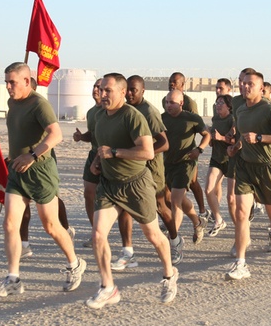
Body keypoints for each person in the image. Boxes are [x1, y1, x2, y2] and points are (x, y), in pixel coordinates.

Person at [86, 73, 179, 308]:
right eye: (101, 89)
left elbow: (148, 152)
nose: (102, 94)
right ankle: (108, 287)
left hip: (135, 184)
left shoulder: (133, 117)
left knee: (153, 235)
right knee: (98, 235)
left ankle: (169, 274)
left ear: (121, 92)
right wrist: (98, 162)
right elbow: (101, 147)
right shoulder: (99, 116)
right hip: (109, 183)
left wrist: (114, 152)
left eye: (108, 90)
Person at [0, 63, 84, 297]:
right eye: (7, 82)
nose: (8, 86)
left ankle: (75, 264)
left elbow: (57, 134)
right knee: (10, 224)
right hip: (17, 171)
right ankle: (13, 278)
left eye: (12, 82)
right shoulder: (12, 103)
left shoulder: (39, 104)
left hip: (40, 173)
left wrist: (32, 155)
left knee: (51, 226)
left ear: (26, 81)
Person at [226, 70, 271, 279]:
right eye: (242, 83)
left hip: (269, 167)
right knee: (241, 214)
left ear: (261, 88)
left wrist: (260, 137)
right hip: (245, 166)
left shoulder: (270, 109)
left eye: (250, 84)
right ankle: (241, 263)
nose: (245, 87)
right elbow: (242, 135)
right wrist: (235, 147)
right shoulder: (239, 110)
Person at [114, 75, 184, 270]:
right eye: (127, 89)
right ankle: (128, 252)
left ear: (142, 91)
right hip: (129, 168)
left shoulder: (149, 112)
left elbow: (164, 143)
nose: (129, 93)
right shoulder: (123, 109)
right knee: (125, 207)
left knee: (161, 208)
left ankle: (175, 240)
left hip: (151, 169)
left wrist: (145, 152)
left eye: (133, 90)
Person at [162, 89, 211, 244]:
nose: (168, 105)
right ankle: (197, 222)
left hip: (186, 163)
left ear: (181, 103)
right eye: (166, 102)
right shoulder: (161, 118)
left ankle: (174, 241)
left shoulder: (192, 119)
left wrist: (199, 149)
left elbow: (207, 135)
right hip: (167, 163)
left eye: (172, 102)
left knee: (175, 202)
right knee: (178, 199)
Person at [168, 71, 208, 217]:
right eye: (170, 81)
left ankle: (203, 211)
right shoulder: (165, 100)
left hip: (189, 152)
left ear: (182, 85)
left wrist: (198, 149)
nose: (171, 84)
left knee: (193, 181)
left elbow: (197, 126)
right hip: (171, 154)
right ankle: (173, 215)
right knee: (171, 190)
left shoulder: (190, 103)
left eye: (175, 82)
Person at [73, 78, 103, 244]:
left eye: (100, 87)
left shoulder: (109, 111)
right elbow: (92, 135)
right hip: (93, 154)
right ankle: (96, 233)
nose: (96, 90)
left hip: (109, 156)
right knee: (89, 193)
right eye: (94, 86)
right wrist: (81, 137)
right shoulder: (91, 112)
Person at [205, 94, 234, 236]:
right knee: (209, 189)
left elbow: (236, 141)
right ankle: (218, 220)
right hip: (216, 158)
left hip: (231, 160)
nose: (218, 105)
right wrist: (210, 135)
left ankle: (241, 227)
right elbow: (213, 137)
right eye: (217, 102)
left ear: (229, 106)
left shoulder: (232, 120)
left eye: (221, 103)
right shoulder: (215, 118)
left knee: (232, 199)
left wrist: (221, 138)